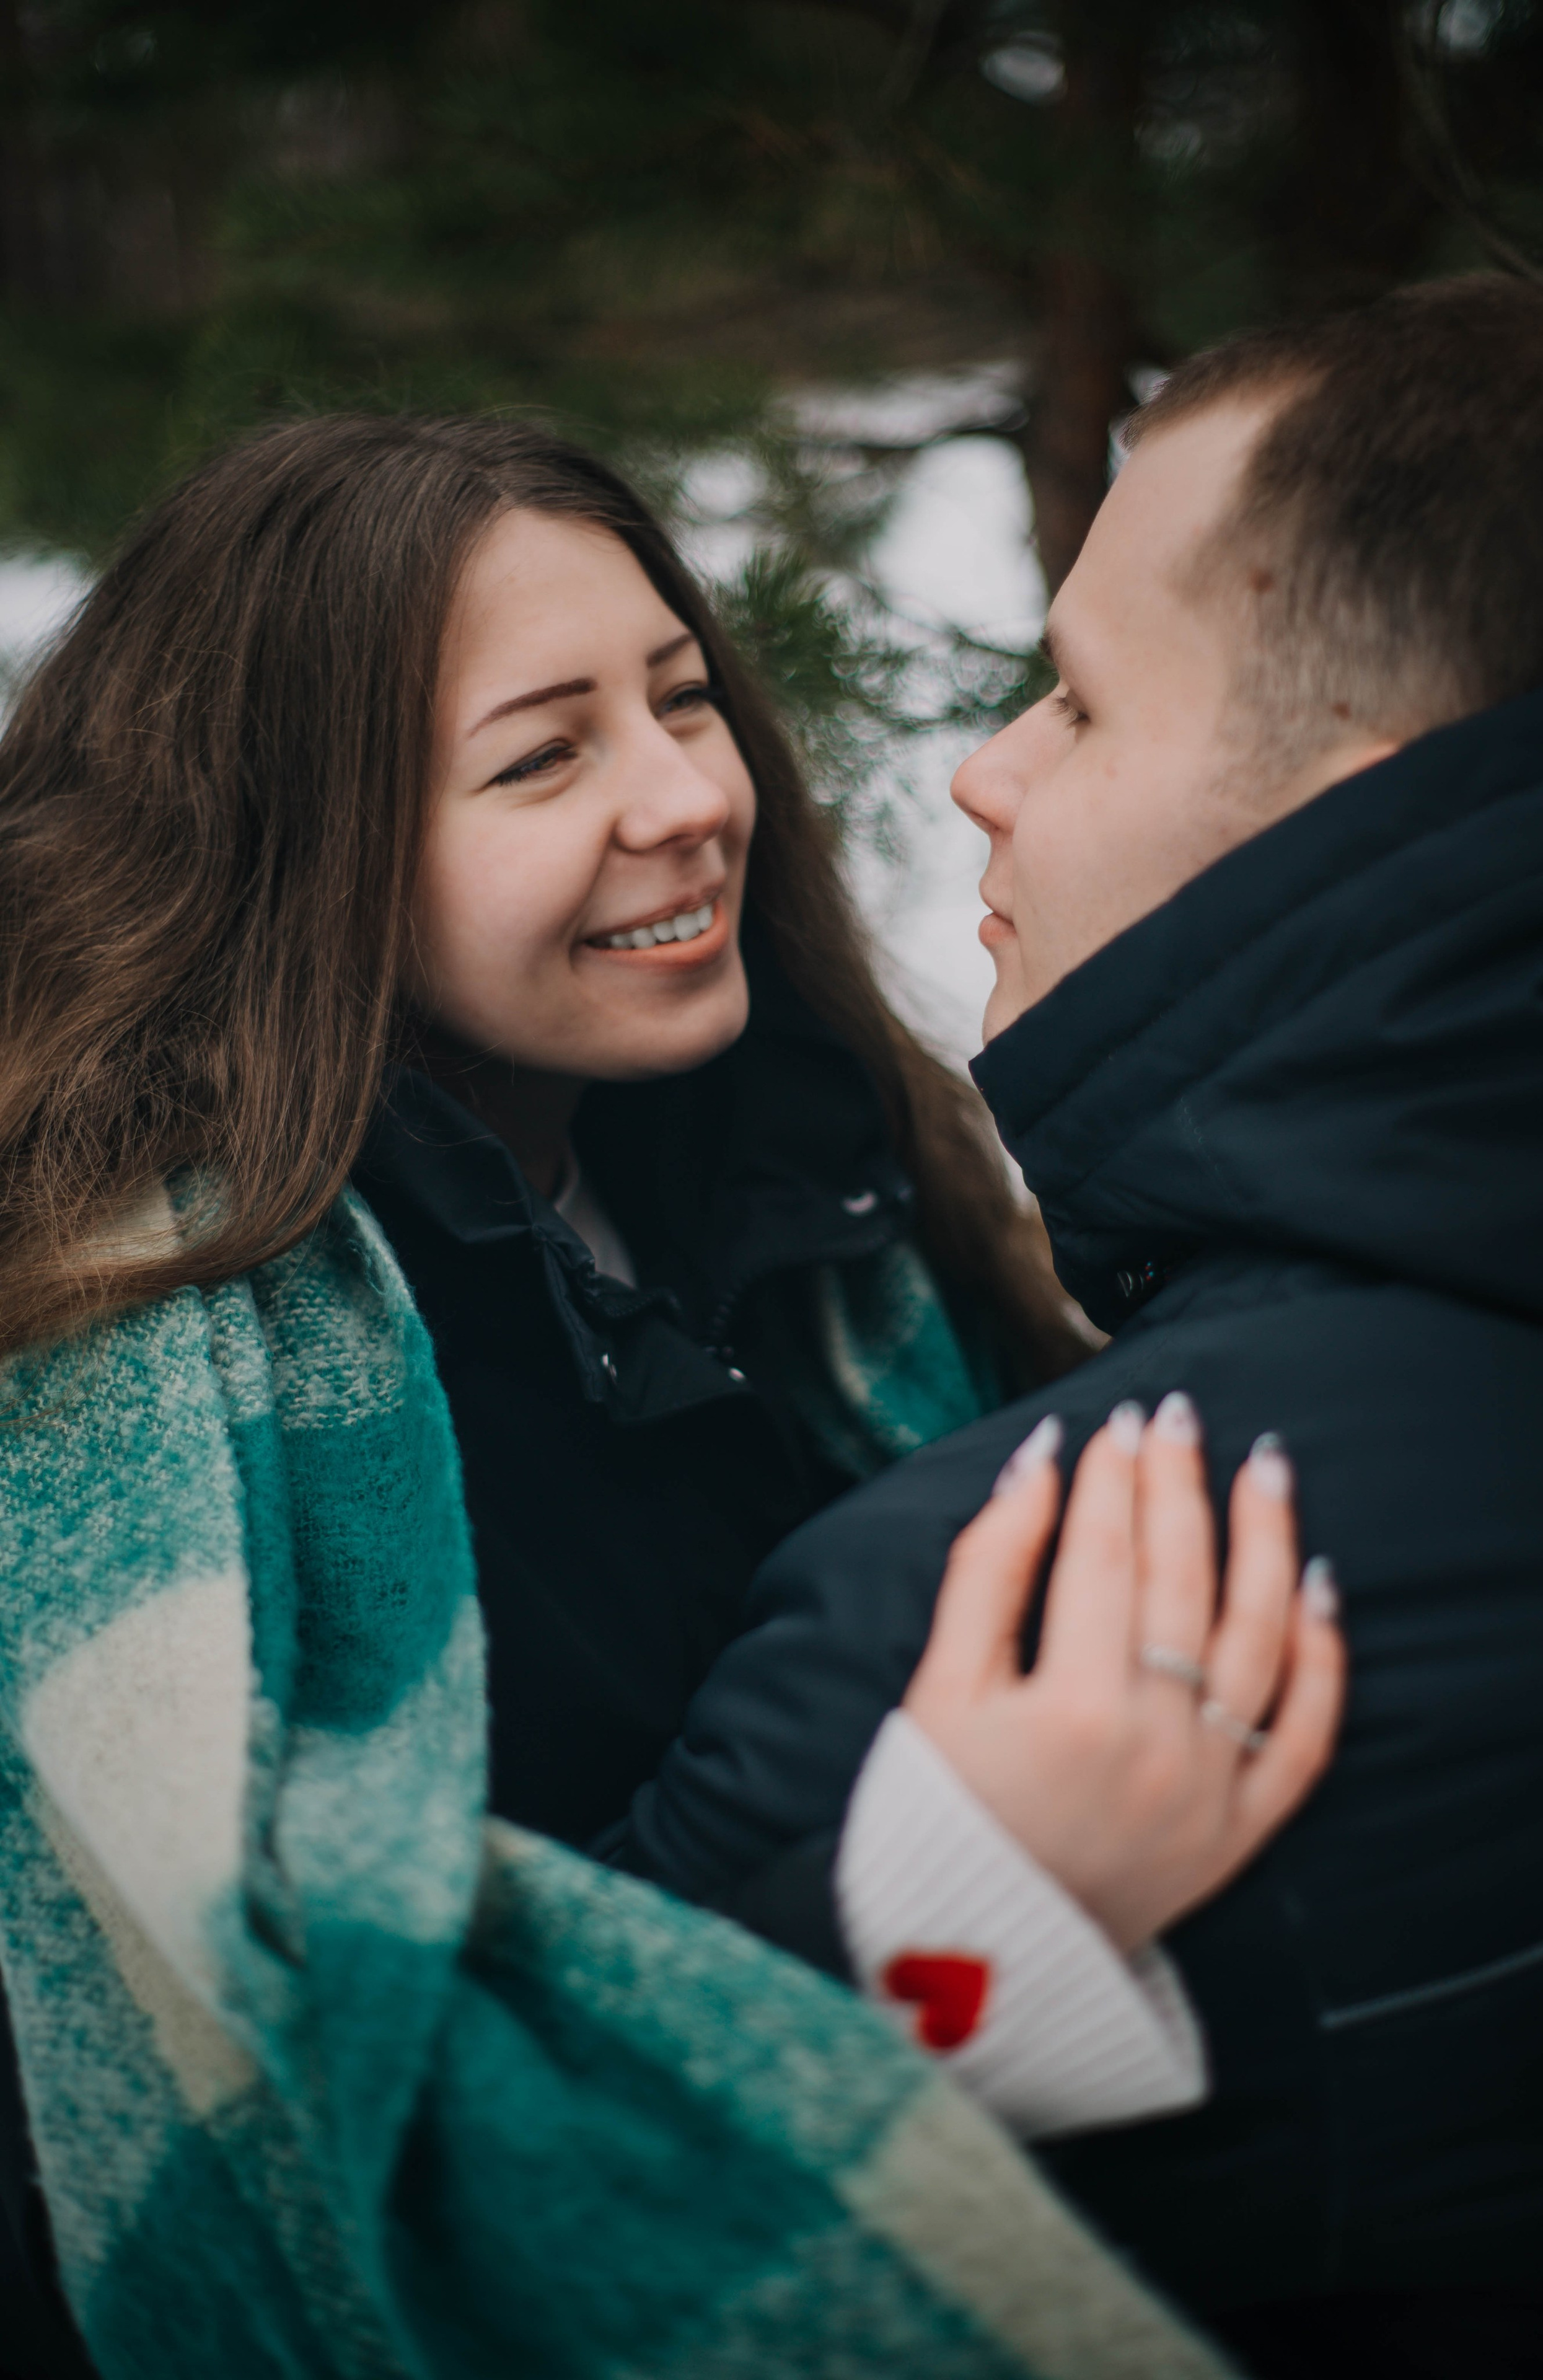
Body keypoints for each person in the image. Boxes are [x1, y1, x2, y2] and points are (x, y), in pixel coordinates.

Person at [0, 415, 1341, 2377]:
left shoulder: (833, 1180)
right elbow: (257, 2125)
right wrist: (948, 1916)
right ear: (298, 854)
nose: (687, 797)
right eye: (543, 756)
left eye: (684, 698)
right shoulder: (117, 1368)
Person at [604, 271, 1543, 2379]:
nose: (978, 773)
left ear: (1355, 805)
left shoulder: (1046, 1620)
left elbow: (453, 2277)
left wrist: (918, 1927)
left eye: (1077, 702)